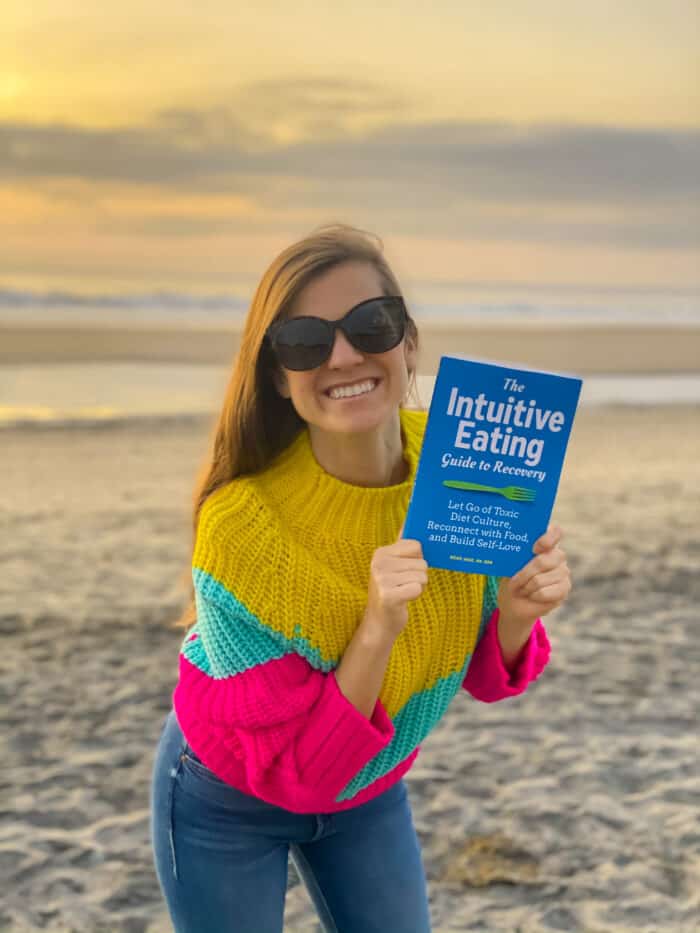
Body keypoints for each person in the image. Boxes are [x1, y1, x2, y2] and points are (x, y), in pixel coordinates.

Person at [149, 223, 571, 932]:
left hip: (369, 782)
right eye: (305, 341)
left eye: (370, 324)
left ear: (407, 342)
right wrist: (377, 626)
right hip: (227, 794)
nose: (344, 354)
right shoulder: (242, 526)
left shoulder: (461, 464)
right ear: (279, 377)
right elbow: (306, 775)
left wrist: (518, 613)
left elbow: (482, 676)